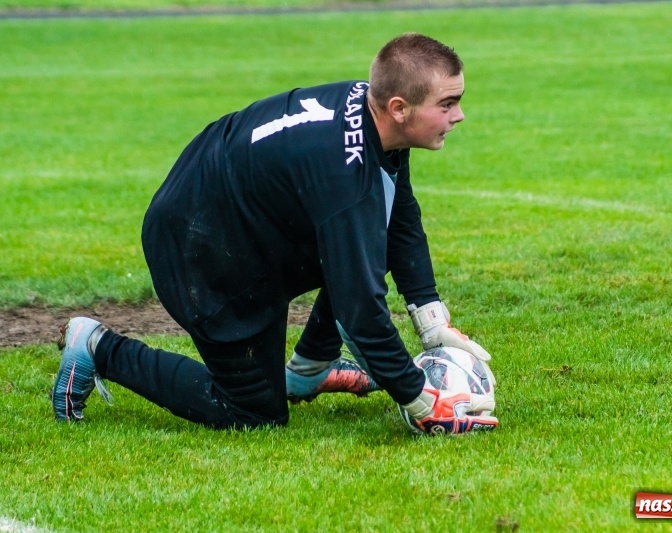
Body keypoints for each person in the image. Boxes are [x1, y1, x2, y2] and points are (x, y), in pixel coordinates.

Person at [52, 33, 498, 435]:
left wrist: (432, 324)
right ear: (399, 108)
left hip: (230, 217)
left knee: (362, 241)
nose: (459, 116)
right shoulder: (344, 175)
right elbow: (361, 308)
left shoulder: (375, 118)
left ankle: (311, 367)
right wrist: (420, 399)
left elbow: (398, 214)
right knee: (253, 413)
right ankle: (96, 346)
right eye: (447, 103)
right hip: (197, 248)